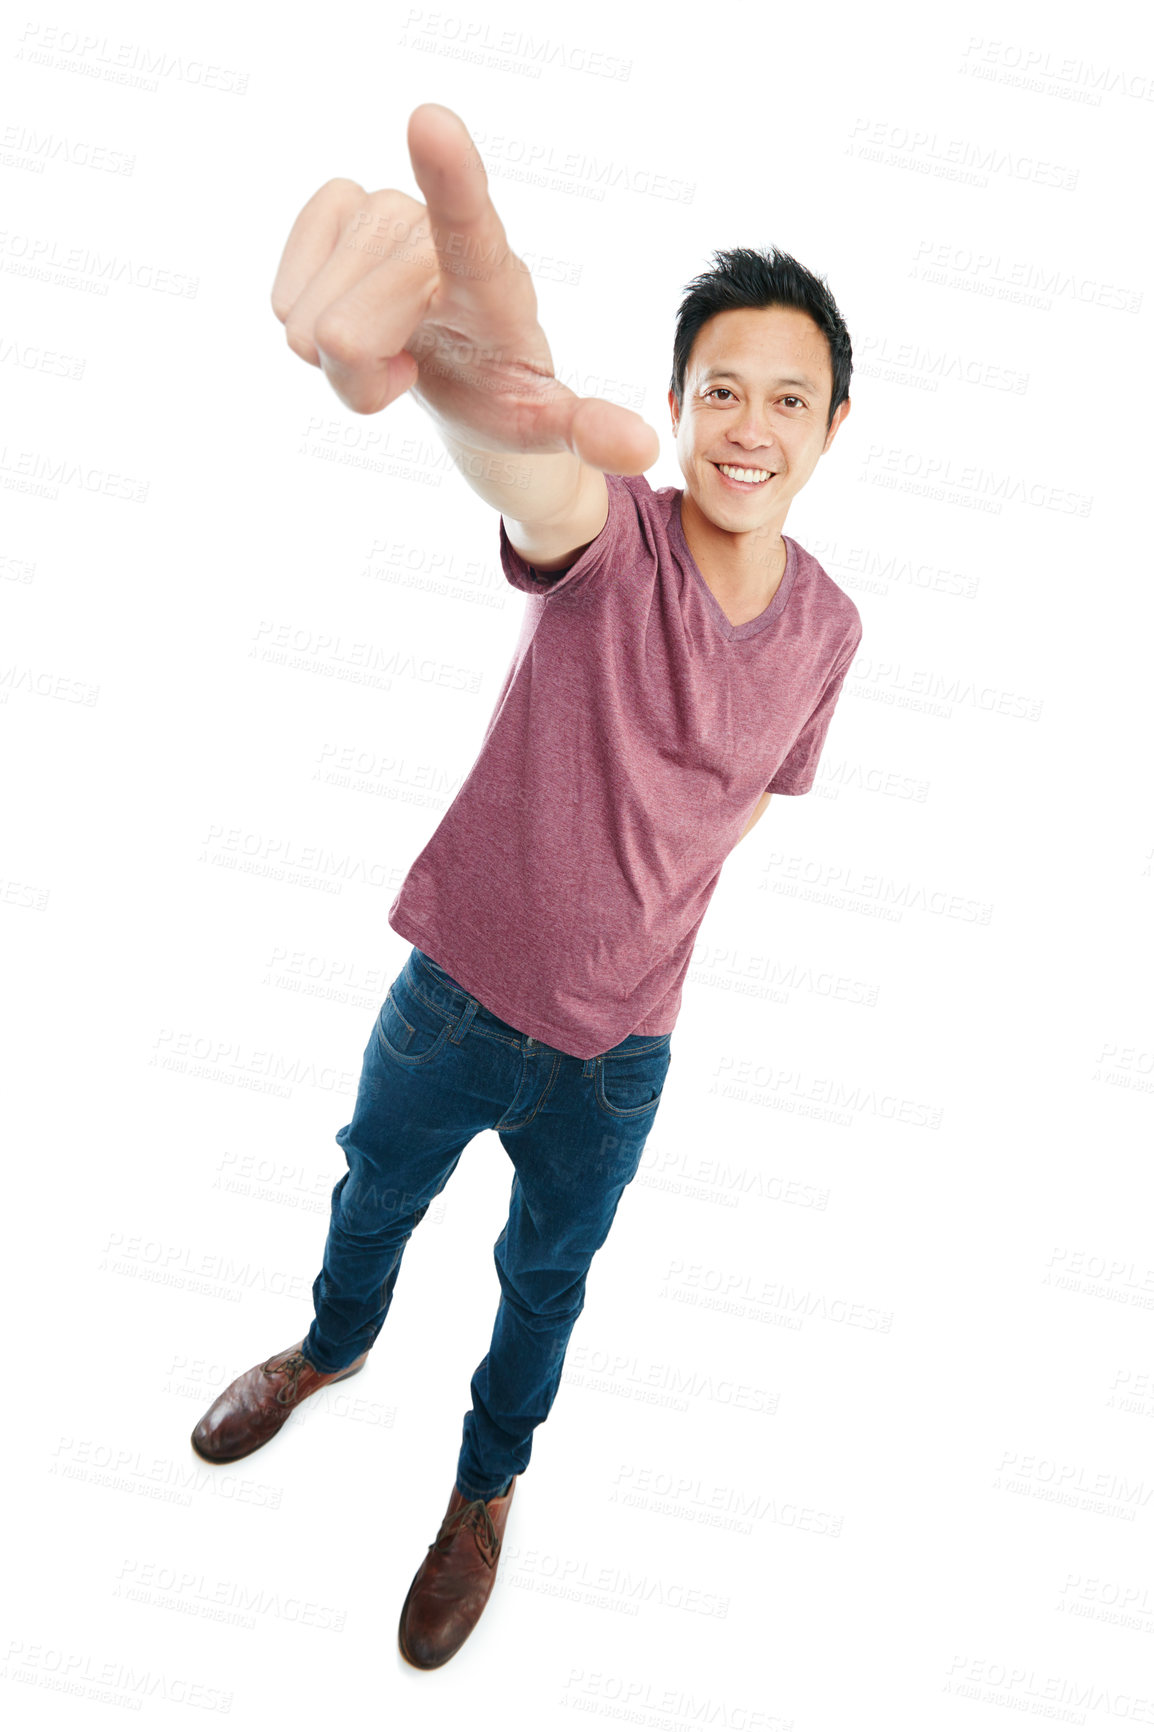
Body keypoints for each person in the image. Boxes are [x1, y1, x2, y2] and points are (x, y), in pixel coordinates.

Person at [190, 101, 861, 1670]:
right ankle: (329, 1352)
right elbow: (534, 483)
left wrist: (647, 893)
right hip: (454, 999)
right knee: (372, 1197)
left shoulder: (831, 628)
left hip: (620, 1055)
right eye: (717, 391)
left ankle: (485, 1491)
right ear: (682, 407)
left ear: (831, 428)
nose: (747, 427)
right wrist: (470, 398)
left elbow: (758, 793)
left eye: (787, 398)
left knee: (543, 1285)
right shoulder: (615, 539)